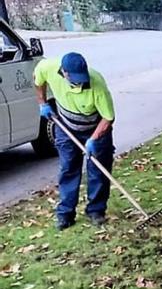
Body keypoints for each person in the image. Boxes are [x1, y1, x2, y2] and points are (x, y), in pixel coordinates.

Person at [34, 52, 116, 230]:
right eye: (75, 79)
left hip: (96, 129)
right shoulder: (47, 67)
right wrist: (42, 103)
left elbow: (108, 118)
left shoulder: (97, 84)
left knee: (98, 170)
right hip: (66, 126)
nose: (80, 82)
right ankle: (65, 214)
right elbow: (38, 80)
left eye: (82, 78)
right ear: (64, 72)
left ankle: (96, 211)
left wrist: (93, 139)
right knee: (68, 168)